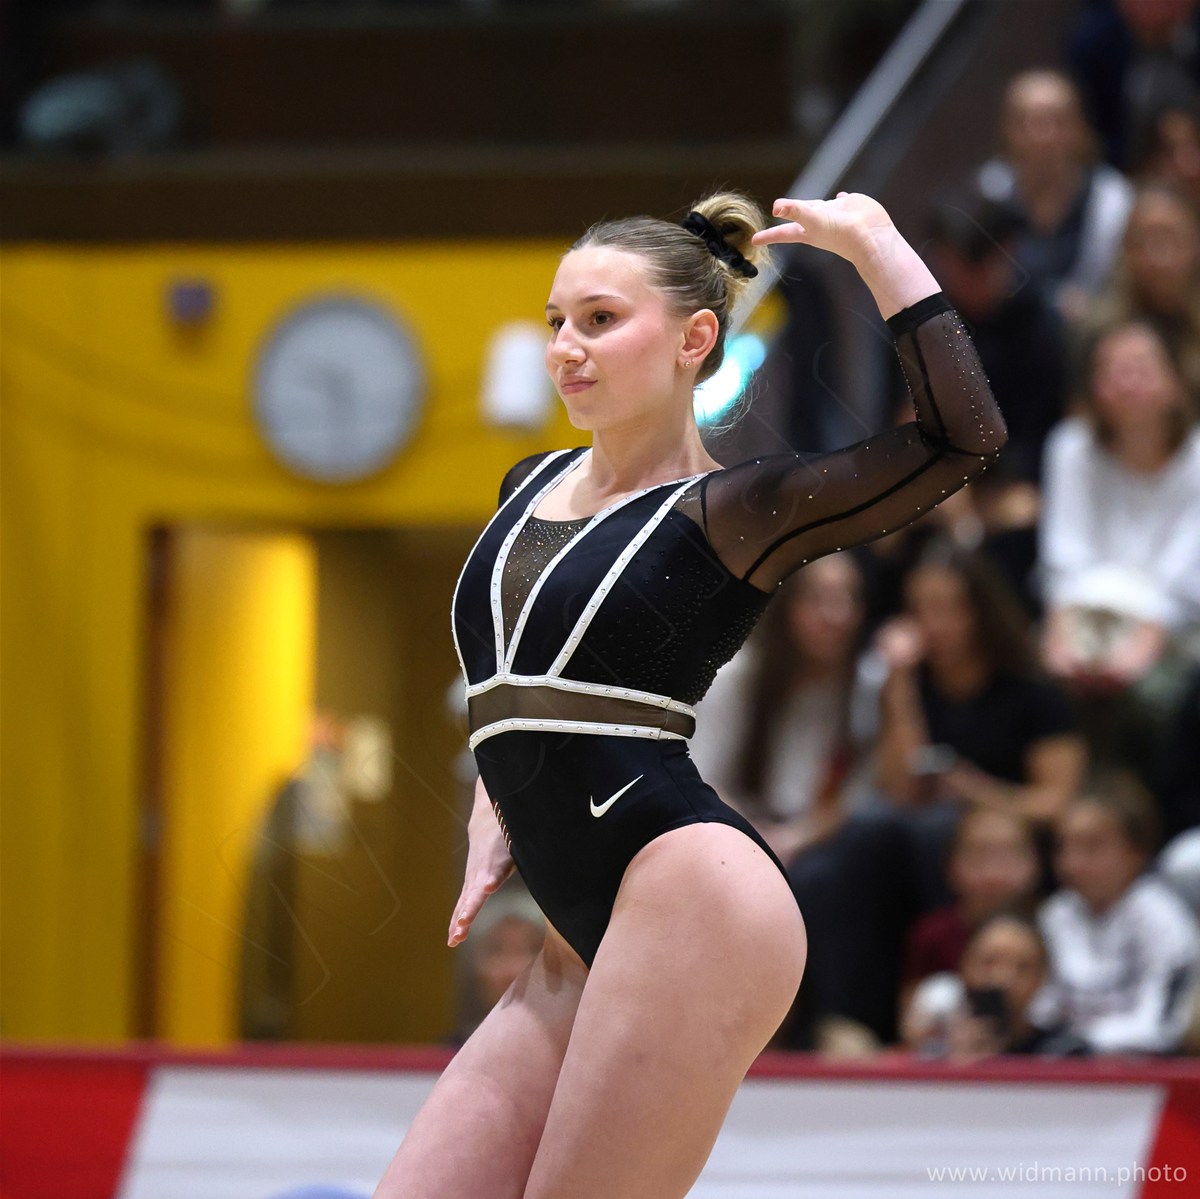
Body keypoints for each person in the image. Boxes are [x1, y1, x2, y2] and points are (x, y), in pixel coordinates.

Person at [373, 189, 1007, 1198]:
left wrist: (876, 247)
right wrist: (497, 799)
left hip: (691, 893)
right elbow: (526, 678)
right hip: (576, 932)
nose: (567, 347)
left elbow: (961, 437)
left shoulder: (735, 510)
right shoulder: (524, 483)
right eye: (557, 321)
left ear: (694, 338)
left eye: (600, 319)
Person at [1038, 771, 1200, 1054]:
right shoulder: (1055, 914)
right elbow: (1043, 1008)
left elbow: (1163, 1023)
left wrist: (1088, 1042)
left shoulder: (1163, 919)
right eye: (1065, 846)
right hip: (1065, 1061)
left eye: (1092, 846)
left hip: (1144, 1065)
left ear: (1136, 852)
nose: (1072, 863)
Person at [975, 69, 1134, 320]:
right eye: (1028, 122)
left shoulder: (1113, 199)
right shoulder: (988, 192)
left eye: (1057, 121)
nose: (1043, 136)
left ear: (1080, 128)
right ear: (1007, 130)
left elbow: (1125, 288)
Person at [903, 911, 1091, 1059]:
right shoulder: (934, 1053)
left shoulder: (1065, 1054)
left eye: (1022, 967)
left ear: (1042, 978)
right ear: (965, 967)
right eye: (989, 962)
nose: (1003, 979)